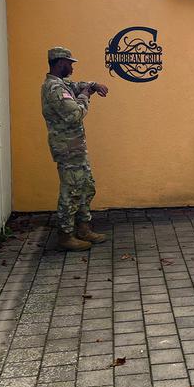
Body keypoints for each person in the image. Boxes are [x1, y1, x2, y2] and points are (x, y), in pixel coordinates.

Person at [41, 47, 111, 252]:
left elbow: (77, 85)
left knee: (86, 186)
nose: (72, 66)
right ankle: (65, 235)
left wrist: (93, 85)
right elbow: (75, 114)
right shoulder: (54, 88)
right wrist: (86, 96)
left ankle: (83, 228)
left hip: (76, 148)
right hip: (67, 149)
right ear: (60, 63)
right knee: (70, 191)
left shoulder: (63, 84)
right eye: (70, 63)